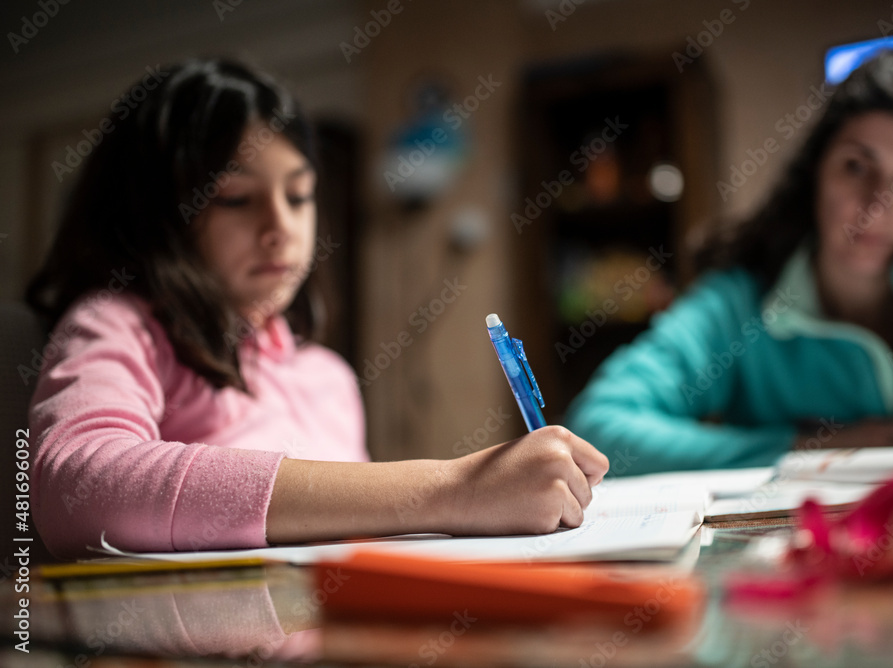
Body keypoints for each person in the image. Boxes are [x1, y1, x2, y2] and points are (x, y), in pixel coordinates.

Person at [26, 59, 608, 559]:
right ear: (153, 211)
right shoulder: (118, 324)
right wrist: (452, 488)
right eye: (236, 197)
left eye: (299, 195)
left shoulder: (327, 378)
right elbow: (75, 489)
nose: (282, 227)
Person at [566, 49, 893, 475]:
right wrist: (801, 451)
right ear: (816, 174)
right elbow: (597, 428)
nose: (876, 206)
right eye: (855, 166)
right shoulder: (738, 304)